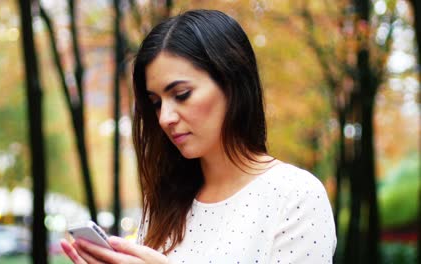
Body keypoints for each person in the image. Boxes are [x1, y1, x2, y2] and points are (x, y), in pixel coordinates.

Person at [61, 9, 337, 264]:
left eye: (181, 95)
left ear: (232, 83)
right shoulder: (165, 204)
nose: (165, 117)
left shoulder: (296, 197)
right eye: (156, 103)